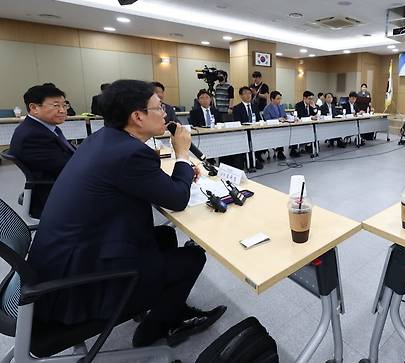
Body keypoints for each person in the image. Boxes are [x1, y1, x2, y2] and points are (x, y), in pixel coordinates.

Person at [27, 79, 226, 348]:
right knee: (192, 257)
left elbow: (148, 185)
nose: (166, 113)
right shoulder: (129, 153)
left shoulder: (104, 139)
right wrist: (181, 153)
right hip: (77, 284)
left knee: (166, 235)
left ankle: (169, 307)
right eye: (159, 108)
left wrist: (178, 173)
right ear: (137, 117)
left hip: (67, 257)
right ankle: (155, 329)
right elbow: (177, 200)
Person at [9, 84, 74, 218]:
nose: (62, 110)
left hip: (61, 184)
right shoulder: (32, 136)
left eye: (64, 105)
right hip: (54, 194)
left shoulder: (44, 127)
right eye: (56, 106)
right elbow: (69, 168)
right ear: (34, 108)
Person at [233, 86, 264, 168]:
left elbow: (259, 119)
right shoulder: (237, 108)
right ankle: (249, 159)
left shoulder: (255, 106)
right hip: (244, 133)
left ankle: (255, 158)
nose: (248, 95)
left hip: (255, 131)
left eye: (249, 93)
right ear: (240, 95)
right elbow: (238, 123)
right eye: (245, 93)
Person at [290, 91, 317, 157]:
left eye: (312, 99)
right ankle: (295, 149)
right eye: (309, 99)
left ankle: (310, 146)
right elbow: (301, 116)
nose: (311, 100)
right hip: (300, 126)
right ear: (304, 98)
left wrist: (314, 107)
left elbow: (315, 114)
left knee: (315, 130)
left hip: (309, 126)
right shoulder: (299, 105)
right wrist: (311, 117)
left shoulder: (311, 105)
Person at [262, 90, 287, 160]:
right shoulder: (267, 108)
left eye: (280, 99)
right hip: (271, 129)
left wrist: (287, 118)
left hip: (281, 127)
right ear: (272, 99)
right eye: (278, 99)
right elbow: (267, 120)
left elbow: (284, 116)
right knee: (280, 134)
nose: (279, 101)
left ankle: (283, 151)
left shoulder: (281, 107)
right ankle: (280, 151)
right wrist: (278, 120)